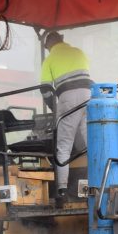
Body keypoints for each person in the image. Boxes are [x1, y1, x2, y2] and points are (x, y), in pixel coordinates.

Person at [40, 31, 92, 206]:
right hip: (88, 95)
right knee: (88, 141)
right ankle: (98, 178)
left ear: (48, 45)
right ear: (62, 40)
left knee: (64, 144)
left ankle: (62, 188)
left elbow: (46, 89)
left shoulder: (49, 60)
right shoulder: (78, 52)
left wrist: (53, 108)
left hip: (67, 98)